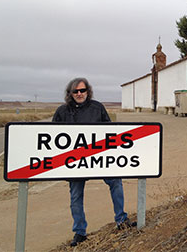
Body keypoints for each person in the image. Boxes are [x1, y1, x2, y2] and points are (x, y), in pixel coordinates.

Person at [52, 77, 135, 247]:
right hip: (74, 162)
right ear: (70, 93)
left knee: (116, 182)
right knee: (75, 195)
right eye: (76, 91)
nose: (79, 94)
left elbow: (110, 132)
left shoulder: (98, 108)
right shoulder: (62, 111)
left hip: (99, 160)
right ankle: (80, 232)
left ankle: (121, 220)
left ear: (88, 91)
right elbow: (54, 138)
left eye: (82, 90)